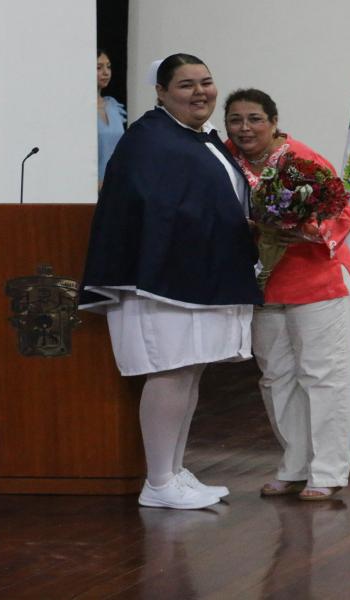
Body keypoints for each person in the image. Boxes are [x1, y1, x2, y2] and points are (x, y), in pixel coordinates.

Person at [80, 55, 262, 510]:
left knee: (190, 371)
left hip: (196, 278)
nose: (200, 92)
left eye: (206, 81)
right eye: (186, 85)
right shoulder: (150, 140)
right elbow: (152, 211)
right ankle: (158, 480)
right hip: (160, 281)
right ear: (161, 92)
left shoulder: (195, 139)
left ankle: (174, 471)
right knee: (171, 371)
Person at [223, 89, 350, 500]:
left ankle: (328, 471)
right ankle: (295, 463)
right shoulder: (225, 159)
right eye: (236, 120)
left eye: (255, 119)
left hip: (316, 279)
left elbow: (341, 213)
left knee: (324, 376)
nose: (245, 128)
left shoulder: (302, 161)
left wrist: (303, 229)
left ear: (274, 120)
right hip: (263, 284)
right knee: (276, 377)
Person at [96, 49, 126, 190]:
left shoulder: (113, 107)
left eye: (108, 66)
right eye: (99, 67)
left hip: (117, 186)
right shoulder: (81, 111)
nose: (106, 72)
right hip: (90, 188)